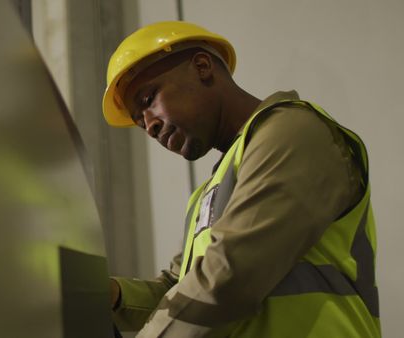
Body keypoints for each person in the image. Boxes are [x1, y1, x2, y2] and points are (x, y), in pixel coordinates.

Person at [102, 21, 380, 337]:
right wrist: (112, 295)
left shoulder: (292, 132)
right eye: (140, 122)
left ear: (202, 67)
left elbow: (231, 275)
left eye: (149, 99)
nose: (149, 126)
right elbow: (180, 289)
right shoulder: (212, 190)